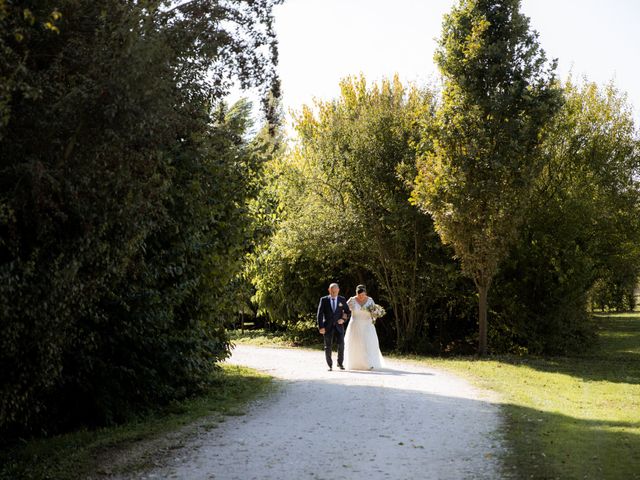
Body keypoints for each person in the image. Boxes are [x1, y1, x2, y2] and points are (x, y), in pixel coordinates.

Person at [344, 284, 384, 370]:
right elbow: (345, 311)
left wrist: (376, 315)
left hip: (367, 326)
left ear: (365, 293)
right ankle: (356, 364)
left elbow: (374, 312)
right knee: (356, 344)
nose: (361, 296)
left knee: (368, 344)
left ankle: (369, 363)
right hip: (355, 325)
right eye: (359, 294)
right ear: (356, 293)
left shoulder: (370, 300)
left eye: (363, 294)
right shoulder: (352, 300)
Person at [317, 283, 351, 371]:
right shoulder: (324, 300)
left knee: (341, 345)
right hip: (327, 327)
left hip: (339, 326)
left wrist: (343, 319)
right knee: (328, 346)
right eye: (332, 291)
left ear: (338, 290)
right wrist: (321, 327)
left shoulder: (342, 299)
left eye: (335, 292)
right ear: (329, 290)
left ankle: (340, 363)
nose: (333, 293)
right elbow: (319, 314)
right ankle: (330, 365)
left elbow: (347, 311)